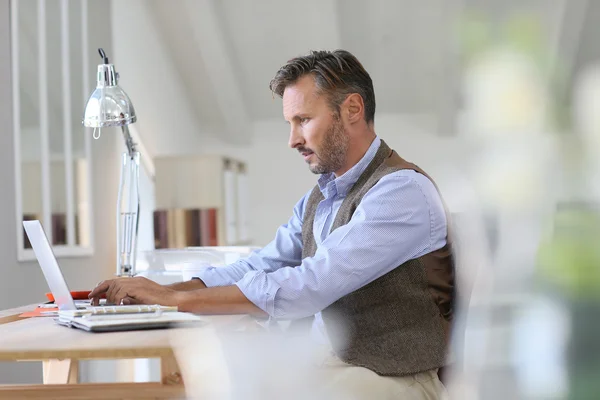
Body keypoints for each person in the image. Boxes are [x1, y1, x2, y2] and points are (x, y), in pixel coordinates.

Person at [90, 49, 454, 399]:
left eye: (304, 120)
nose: (293, 139)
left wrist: (177, 299)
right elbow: (263, 263)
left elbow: (310, 283)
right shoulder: (322, 198)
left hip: (398, 379)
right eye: (290, 123)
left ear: (352, 109)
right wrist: (162, 290)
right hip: (330, 365)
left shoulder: (401, 191)